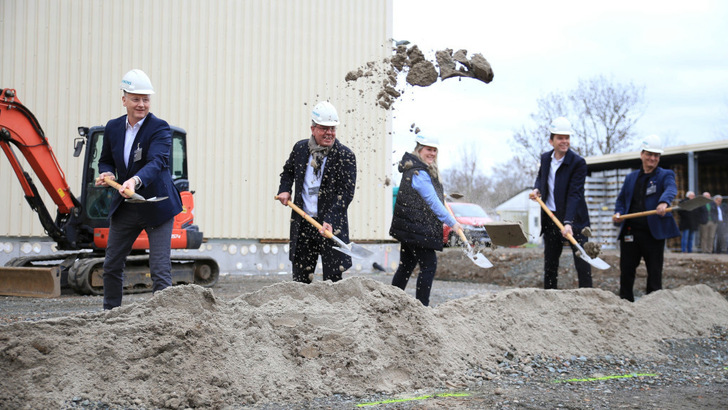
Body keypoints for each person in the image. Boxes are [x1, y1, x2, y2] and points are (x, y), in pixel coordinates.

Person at [95, 69, 183, 310]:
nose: (141, 104)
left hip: (157, 205)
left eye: (146, 99)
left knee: (159, 269)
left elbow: (157, 162)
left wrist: (134, 181)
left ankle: (161, 319)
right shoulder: (113, 128)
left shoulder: (159, 128)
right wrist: (108, 173)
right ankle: (110, 314)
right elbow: (105, 160)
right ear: (124, 99)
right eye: (135, 99)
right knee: (112, 264)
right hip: (126, 206)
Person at [277, 101, 356, 283]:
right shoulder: (300, 149)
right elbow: (288, 172)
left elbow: (346, 193)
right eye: (324, 128)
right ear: (313, 129)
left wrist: (330, 219)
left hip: (331, 226)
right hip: (304, 222)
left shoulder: (345, 156)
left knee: (334, 279)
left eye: (332, 129)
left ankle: (334, 311)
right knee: (301, 278)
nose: (329, 133)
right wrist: (285, 190)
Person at [389, 134, 461, 306]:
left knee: (406, 265)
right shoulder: (418, 172)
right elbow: (432, 202)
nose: (432, 153)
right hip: (417, 228)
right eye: (429, 149)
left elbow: (429, 197)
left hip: (410, 227)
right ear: (419, 149)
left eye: (435, 150)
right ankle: (422, 307)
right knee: (429, 265)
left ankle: (389, 301)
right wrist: (452, 222)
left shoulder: (418, 168)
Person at [613, 134, 679, 302]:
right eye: (649, 154)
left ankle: (654, 303)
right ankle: (625, 301)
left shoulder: (665, 175)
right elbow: (621, 200)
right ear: (642, 154)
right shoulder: (631, 178)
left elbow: (671, 188)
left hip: (653, 233)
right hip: (631, 231)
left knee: (654, 271)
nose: (652, 158)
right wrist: (618, 213)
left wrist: (664, 202)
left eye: (656, 155)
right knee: (627, 269)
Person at [530, 117, 592, 290]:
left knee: (582, 260)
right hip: (551, 217)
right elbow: (541, 177)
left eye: (567, 137)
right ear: (552, 141)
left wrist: (568, 222)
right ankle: (550, 295)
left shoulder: (578, 163)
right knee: (550, 262)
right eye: (560, 138)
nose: (564, 141)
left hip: (575, 219)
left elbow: (575, 194)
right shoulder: (545, 158)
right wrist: (537, 189)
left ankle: (588, 296)